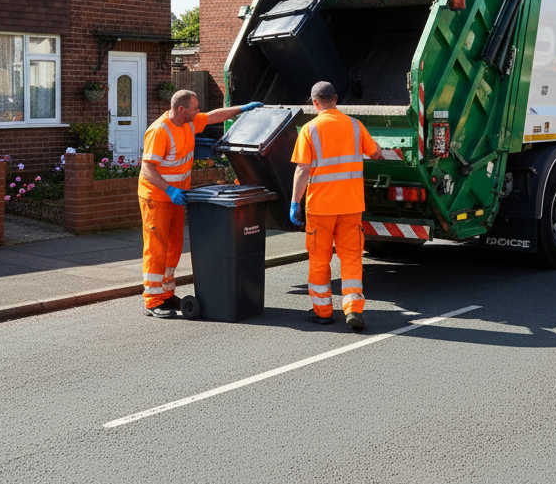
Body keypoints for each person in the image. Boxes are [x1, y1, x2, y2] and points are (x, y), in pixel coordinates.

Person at [139, 90, 261, 318]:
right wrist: (169, 189)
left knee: (173, 246)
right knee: (156, 247)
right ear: (181, 109)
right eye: (195, 108)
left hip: (176, 196)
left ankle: (166, 293)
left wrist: (241, 109)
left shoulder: (189, 123)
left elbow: (214, 116)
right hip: (157, 197)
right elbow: (147, 169)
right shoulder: (159, 130)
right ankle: (152, 300)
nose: (198, 111)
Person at [290, 81, 380, 332]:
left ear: (314, 102)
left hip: (320, 208)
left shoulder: (309, 130)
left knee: (320, 259)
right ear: (336, 99)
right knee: (351, 258)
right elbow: (374, 152)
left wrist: (294, 202)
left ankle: (323, 311)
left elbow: (302, 170)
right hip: (351, 205)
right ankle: (353, 309)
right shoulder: (355, 125)